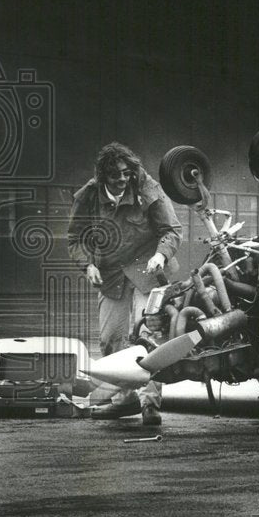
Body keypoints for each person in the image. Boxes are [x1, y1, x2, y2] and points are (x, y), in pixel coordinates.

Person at [68, 142, 182, 426]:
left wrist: (160, 255)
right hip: (111, 274)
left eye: (126, 173)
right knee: (111, 338)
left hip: (147, 268)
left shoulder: (147, 188)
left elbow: (172, 230)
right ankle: (124, 400)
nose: (122, 180)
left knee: (149, 335)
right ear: (102, 175)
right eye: (115, 175)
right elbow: (75, 238)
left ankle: (150, 404)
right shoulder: (88, 196)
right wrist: (88, 264)